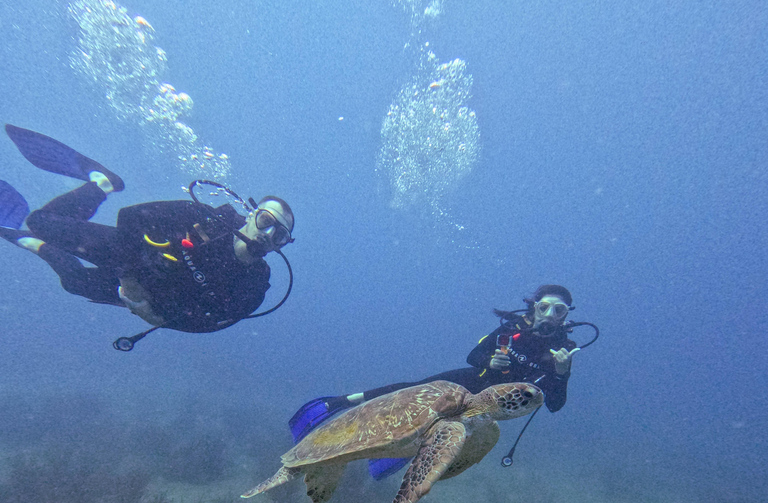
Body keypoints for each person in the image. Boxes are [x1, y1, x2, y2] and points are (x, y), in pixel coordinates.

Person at [0, 124, 294, 343]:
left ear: (281, 245)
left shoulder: (255, 283)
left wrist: (155, 316)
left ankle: (34, 244)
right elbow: (130, 217)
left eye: (279, 235)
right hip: (127, 254)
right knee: (41, 220)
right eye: (266, 220)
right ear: (251, 215)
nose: (267, 234)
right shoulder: (203, 216)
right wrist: (128, 273)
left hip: (151, 300)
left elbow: (213, 323)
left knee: (73, 282)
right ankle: (103, 183)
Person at [288, 284, 587, 479]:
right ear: (533, 306)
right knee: (409, 390)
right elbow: (474, 355)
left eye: (558, 310)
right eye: (544, 306)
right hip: (470, 382)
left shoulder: (560, 354)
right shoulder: (511, 331)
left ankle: (398, 459)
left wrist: (563, 373)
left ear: (566, 317)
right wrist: (489, 361)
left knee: (439, 434)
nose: (549, 314)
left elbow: (554, 405)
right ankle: (338, 403)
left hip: (487, 410)